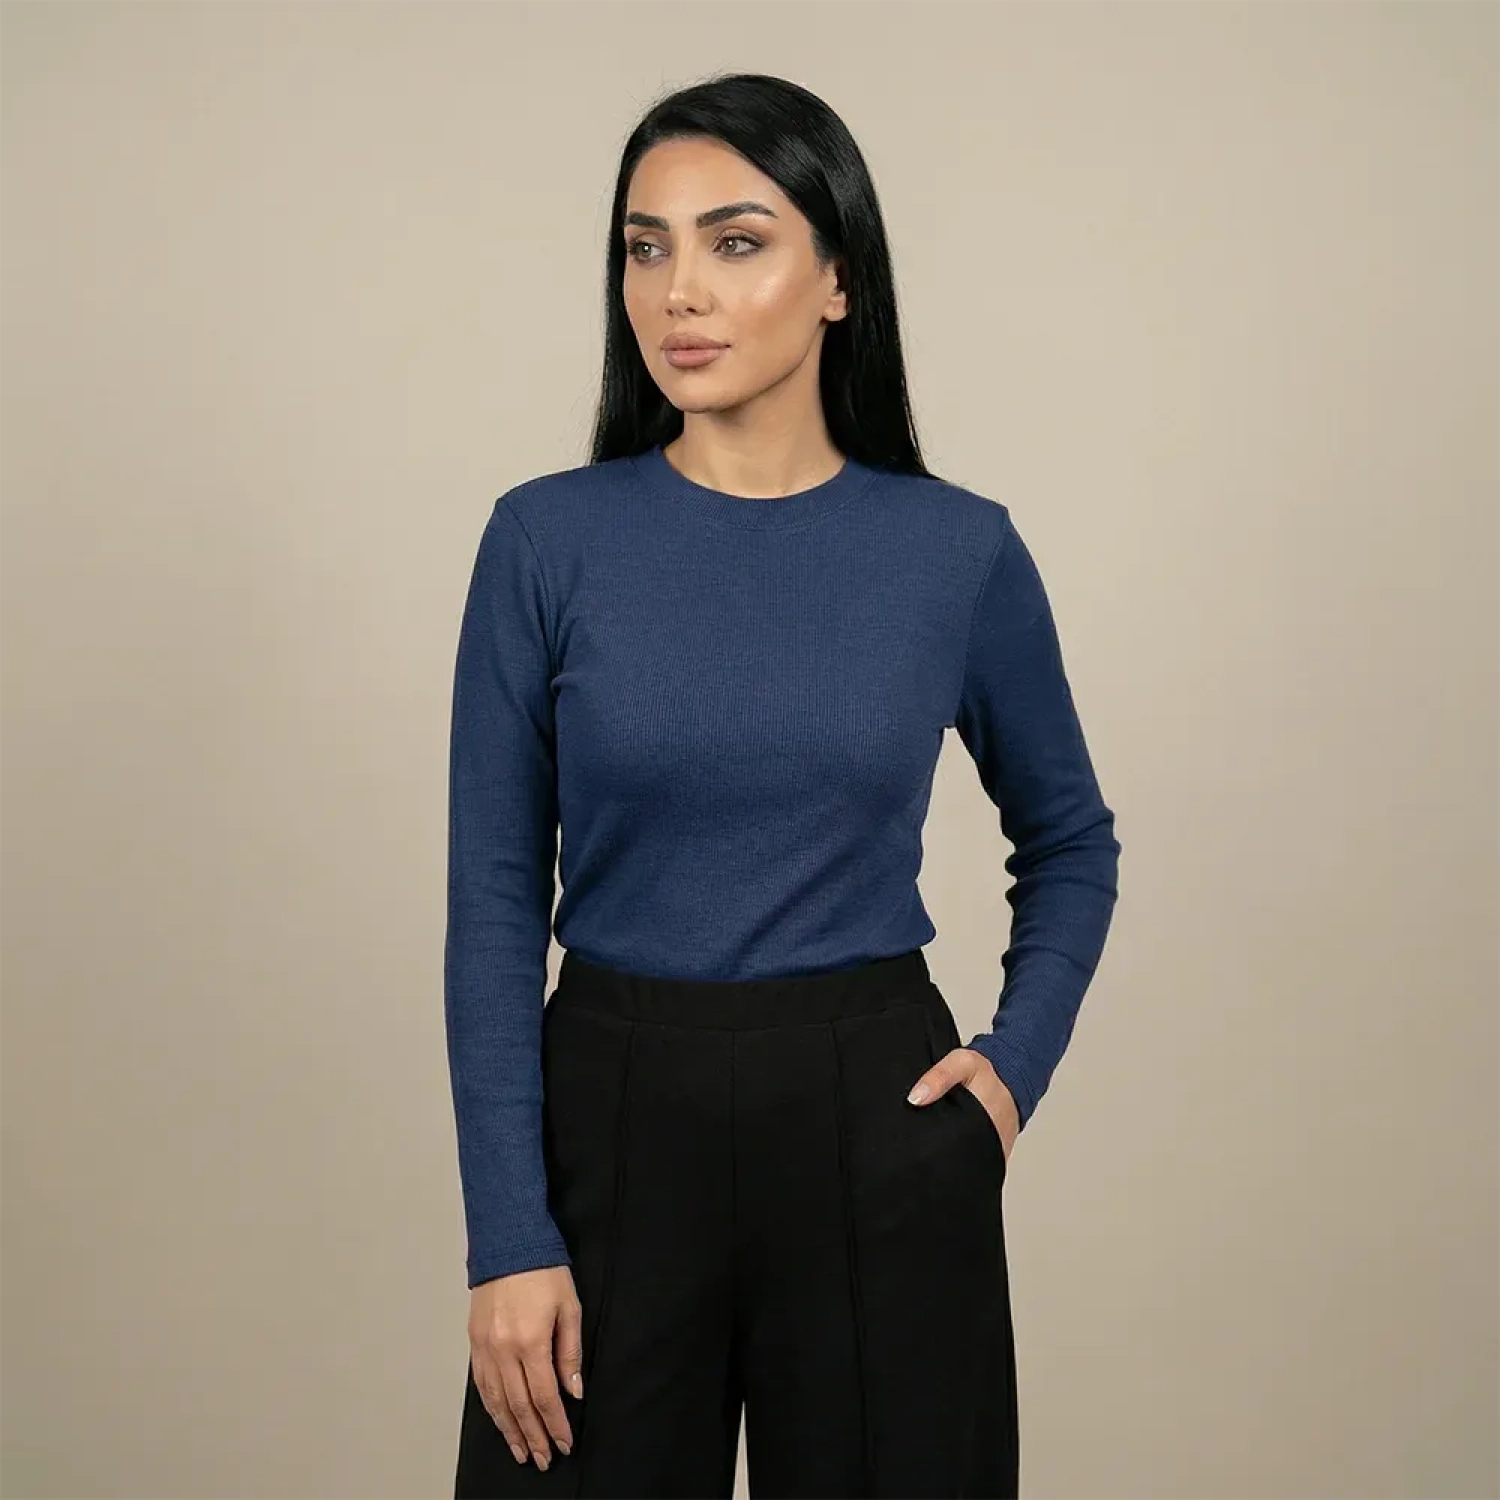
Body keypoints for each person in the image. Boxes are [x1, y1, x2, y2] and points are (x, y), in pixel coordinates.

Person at [444, 70, 1120, 1500]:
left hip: (875, 1115)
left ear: (839, 281)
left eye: (735, 242)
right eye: (646, 247)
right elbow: (495, 903)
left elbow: (1070, 838)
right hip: (612, 1117)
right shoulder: (545, 543)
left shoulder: (956, 552)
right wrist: (507, 1233)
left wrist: (1011, 1073)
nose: (678, 291)